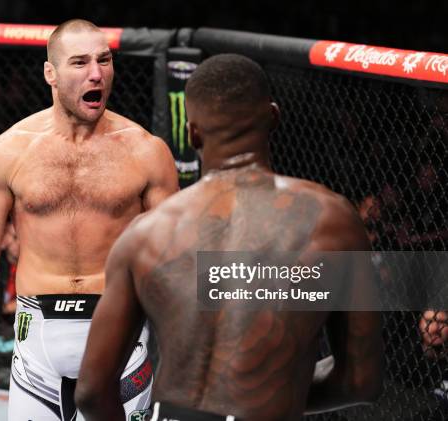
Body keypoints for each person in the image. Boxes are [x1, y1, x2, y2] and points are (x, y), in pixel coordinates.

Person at [75, 54, 384, 420]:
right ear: (273, 117)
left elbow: (92, 392)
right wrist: (273, 393)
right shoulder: (331, 221)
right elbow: (362, 380)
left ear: (192, 133)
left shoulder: (145, 234)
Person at [0, 19, 179, 421]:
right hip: (37, 341)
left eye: (104, 60)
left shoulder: (146, 152)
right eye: (80, 63)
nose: (96, 73)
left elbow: (177, 258)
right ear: (50, 74)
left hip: (120, 331)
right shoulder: (8, 151)